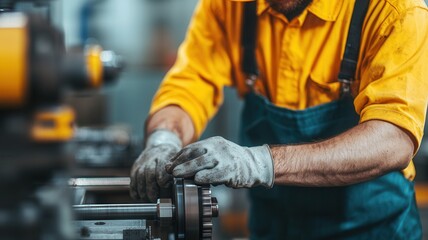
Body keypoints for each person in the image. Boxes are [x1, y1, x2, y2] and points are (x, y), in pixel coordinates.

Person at [130, 0, 428, 238]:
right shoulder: (230, 5)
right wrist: (164, 138)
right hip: (275, 227)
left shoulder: (395, 10)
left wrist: (258, 163)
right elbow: (190, 83)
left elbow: (392, 138)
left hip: (374, 229)